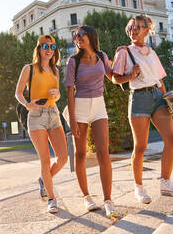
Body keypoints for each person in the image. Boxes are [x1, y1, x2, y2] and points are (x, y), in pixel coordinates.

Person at [112, 14, 173, 204]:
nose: (134, 29)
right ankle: (139, 187)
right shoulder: (123, 52)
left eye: (138, 26)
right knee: (141, 146)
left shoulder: (152, 53)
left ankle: (166, 182)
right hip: (139, 98)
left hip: (158, 97)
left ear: (146, 29)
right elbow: (115, 78)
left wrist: (168, 98)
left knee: (171, 139)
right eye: (131, 26)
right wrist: (131, 74)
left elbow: (159, 79)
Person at [64, 26, 120, 218]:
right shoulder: (73, 61)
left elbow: (112, 77)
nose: (77, 38)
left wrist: (128, 69)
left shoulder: (102, 56)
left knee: (103, 153)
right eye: (75, 36)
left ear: (90, 36)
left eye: (81, 35)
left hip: (98, 106)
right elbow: (70, 92)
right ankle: (86, 196)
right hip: (79, 107)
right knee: (80, 154)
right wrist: (71, 119)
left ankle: (108, 200)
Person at [15, 35, 68, 213]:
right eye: (45, 46)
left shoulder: (56, 70)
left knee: (63, 158)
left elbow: (59, 94)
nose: (49, 49)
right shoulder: (28, 69)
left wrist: (57, 94)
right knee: (45, 160)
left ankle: (44, 180)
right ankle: (51, 199)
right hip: (36, 115)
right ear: (38, 49)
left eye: (52, 46)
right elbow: (18, 92)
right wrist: (26, 104)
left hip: (54, 114)